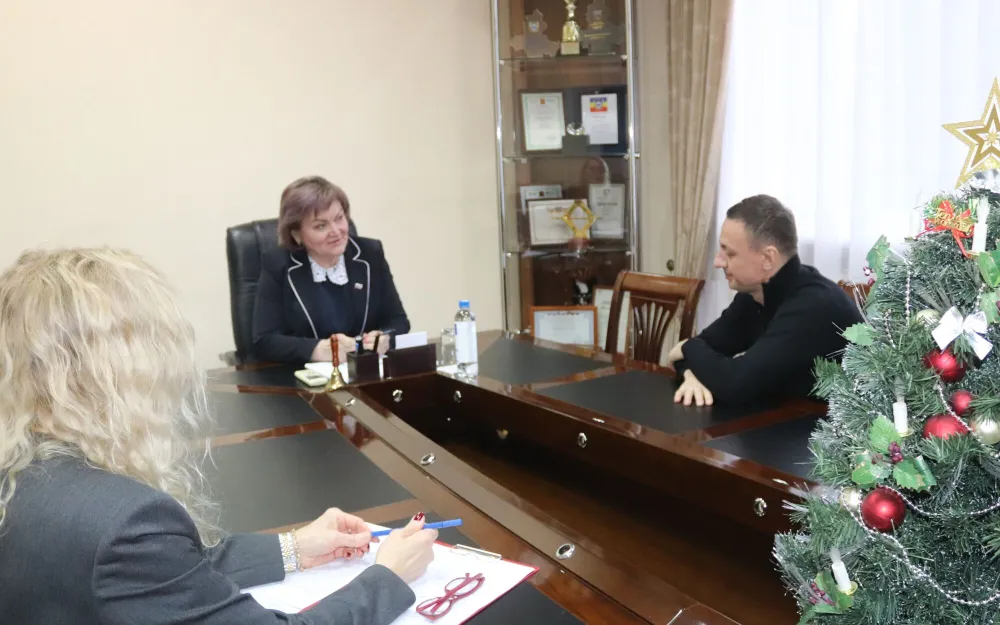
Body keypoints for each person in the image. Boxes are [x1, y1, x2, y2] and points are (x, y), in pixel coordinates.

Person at [0, 248, 437, 624]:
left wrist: (296, 547)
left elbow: (166, 573)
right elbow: (147, 560)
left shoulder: (21, 471)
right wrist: (389, 577)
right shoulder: (127, 524)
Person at [667, 194, 863, 406]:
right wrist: (691, 375)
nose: (718, 262)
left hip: (835, 424)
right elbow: (702, 351)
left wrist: (688, 347)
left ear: (768, 258)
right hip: (782, 416)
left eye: (730, 254)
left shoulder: (813, 305)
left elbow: (736, 384)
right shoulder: (754, 293)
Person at [253, 176, 409, 364]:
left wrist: (385, 338)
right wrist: (315, 350)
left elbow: (398, 321)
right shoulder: (278, 265)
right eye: (321, 226)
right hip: (304, 376)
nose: (336, 231)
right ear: (296, 234)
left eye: (339, 218)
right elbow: (264, 340)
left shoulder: (370, 254)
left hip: (364, 371)